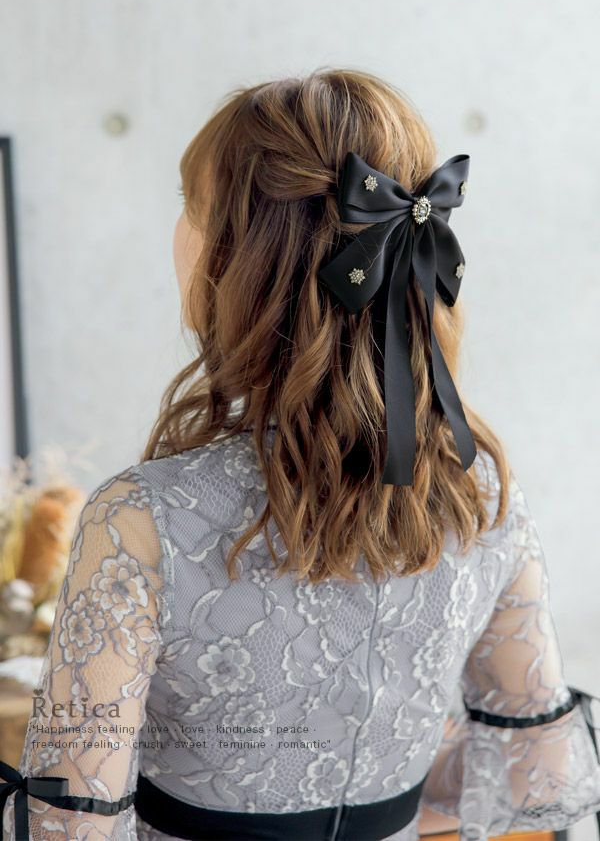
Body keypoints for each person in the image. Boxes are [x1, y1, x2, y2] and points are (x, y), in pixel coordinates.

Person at [2, 68, 600, 841]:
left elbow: (69, 827)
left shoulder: (138, 519)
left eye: (192, 205)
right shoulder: (480, 491)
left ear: (242, 259)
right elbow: (533, 777)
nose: (178, 233)